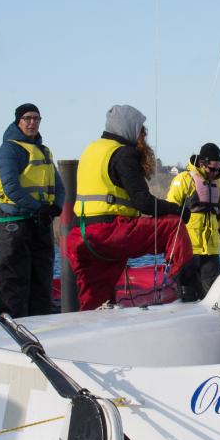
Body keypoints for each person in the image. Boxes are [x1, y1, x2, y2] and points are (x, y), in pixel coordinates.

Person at [65, 104, 192, 310]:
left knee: (95, 299)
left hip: (79, 236)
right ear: (130, 128)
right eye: (142, 130)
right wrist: (177, 210)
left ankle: (91, 324)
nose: (143, 136)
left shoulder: (91, 150)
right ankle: (187, 292)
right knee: (173, 226)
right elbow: (143, 202)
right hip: (109, 233)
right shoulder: (123, 153)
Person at [0, 103, 64, 318]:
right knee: (12, 284)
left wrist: (56, 207)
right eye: (27, 118)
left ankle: (40, 329)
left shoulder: (44, 151)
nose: (32, 123)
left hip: (40, 223)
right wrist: (39, 208)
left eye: (36, 119)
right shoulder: (9, 150)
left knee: (42, 284)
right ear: (18, 121)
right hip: (14, 224)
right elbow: (11, 187)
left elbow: (59, 186)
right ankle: (11, 330)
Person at [167, 142, 220, 302]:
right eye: (212, 169)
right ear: (202, 164)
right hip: (188, 247)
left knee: (212, 295)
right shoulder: (183, 180)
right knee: (187, 294)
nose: (215, 173)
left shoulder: (217, 184)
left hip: (211, 249)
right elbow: (170, 210)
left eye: (218, 169)